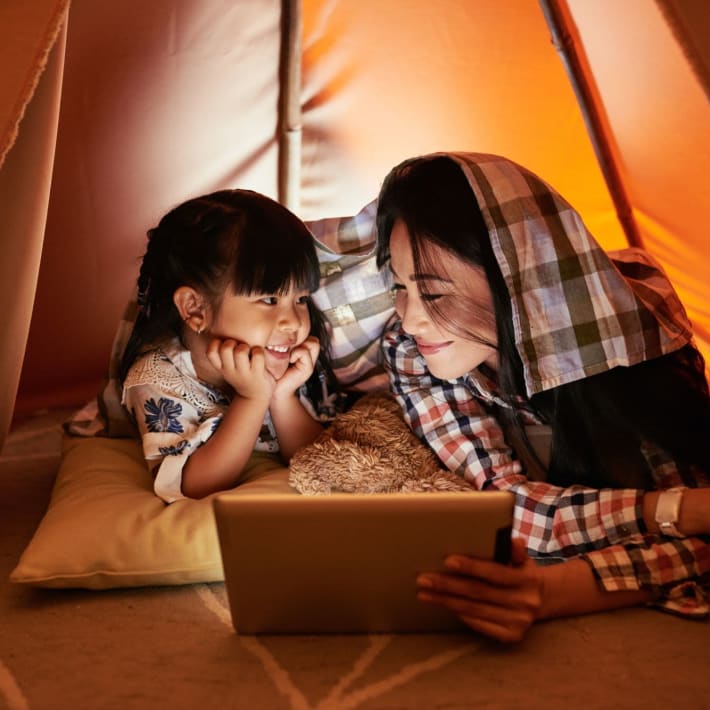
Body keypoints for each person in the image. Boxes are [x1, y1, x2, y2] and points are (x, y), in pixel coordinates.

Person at [375, 152, 710, 642]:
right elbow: (505, 506)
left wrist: (554, 589)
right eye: (399, 288)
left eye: (435, 293)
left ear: (517, 284)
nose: (409, 318)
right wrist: (666, 511)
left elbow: (702, 538)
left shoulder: (630, 324)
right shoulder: (409, 351)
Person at [120, 189, 340, 502]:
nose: (293, 322)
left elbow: (323, 463)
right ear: (195, 308)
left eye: (301, 299)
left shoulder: (289, 359)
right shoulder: (158, 379)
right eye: (269, 299)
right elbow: (193, 486)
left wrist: (281, 396)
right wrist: (252, 398)